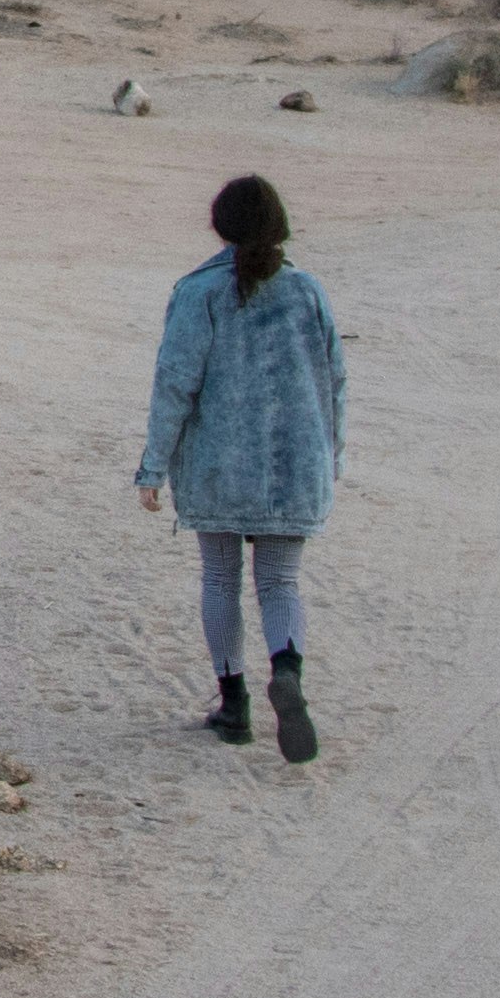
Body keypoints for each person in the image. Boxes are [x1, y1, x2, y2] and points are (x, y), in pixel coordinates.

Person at [136, 172, 344, 762]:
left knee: (221, 578)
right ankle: (288, 669)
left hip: (218, 464)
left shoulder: (197, 292)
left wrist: (152, 468)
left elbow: (175, 383)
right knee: (281, 581)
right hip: (295, 463)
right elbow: (336, 380)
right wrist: (333, 457)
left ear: (219, 225)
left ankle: (234, 705)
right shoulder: (308, 291)